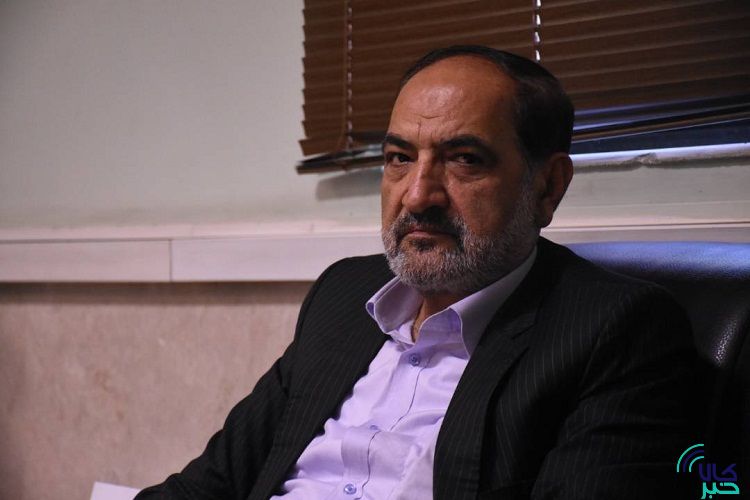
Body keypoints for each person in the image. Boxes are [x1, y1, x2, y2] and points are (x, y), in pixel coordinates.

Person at [136, 46, 700, 499]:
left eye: (464, 159)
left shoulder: (611, 328)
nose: (417, 195)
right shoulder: (343, 295)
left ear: (547, 187)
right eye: (400, 158)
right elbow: (211, 483)